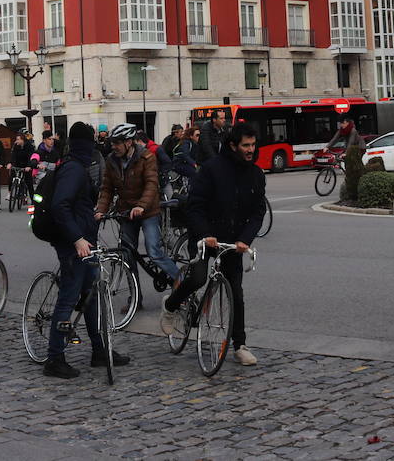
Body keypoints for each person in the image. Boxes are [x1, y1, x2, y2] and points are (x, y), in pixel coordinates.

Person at [162, 122, 267, 366]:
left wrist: (245, 239)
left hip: (232, 241)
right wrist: (205, 234)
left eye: (253, 145)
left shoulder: (255, 174)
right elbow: (195, 206)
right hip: (205, 235)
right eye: (246, 145)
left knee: (236, 293)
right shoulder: (212, 169)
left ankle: (239, 345)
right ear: (233, 145)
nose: (251, 150)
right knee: (198, 277)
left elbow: (258, 211)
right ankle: (171, 305)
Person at [44, 122, 131, 379]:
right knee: (68, 299)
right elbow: (61, 205)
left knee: (91, 297)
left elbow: (79, 203)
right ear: (85, 143)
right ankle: (54, 357)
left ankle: (99, 350)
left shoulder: (77, 166)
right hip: (75, 245)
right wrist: (77, 238)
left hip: (84, 241)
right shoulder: (73, 169)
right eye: (92, 140)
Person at [96, 123, 178, 289]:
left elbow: (151, 184)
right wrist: (100, 210)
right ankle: (135, 297)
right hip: (126, 212)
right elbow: (107, 189)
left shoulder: (146, 157)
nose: (114, 147)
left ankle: (180, 281)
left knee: (154, 251)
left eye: (117, 143)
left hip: (148, 211)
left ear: (128, 142)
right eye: (112, 143)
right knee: (127, 255)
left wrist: (141, 206)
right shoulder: (112, 160)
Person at [11, 131, 35, 202]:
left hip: (27, 165)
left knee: (29, 183)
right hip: (18, 165)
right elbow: (13, 155)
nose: (16, 141)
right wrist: (10, 163)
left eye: (18, 139)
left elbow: (30, 156)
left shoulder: (29, 146)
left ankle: (33, 201)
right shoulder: (16, 146)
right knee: (11, 177)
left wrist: (29, 166)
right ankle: (13, 192)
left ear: (22, 140)